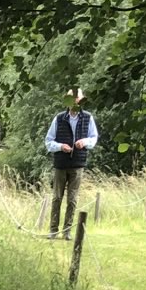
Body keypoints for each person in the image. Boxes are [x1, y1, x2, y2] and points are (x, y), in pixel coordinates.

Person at [46, 88, 98, 240]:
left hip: (78, 163)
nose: (74, 101)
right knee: (56, 198)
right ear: (67, 101)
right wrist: (60, 146)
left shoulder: (88, 118)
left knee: (72, 199)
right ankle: (53, 230)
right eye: (71, 98)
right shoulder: (59, 118)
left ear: (81, 100)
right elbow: (48, 141)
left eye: (77, 98)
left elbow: (93, 138)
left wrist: (85, 142)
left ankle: (67, 231)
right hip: (60, 163)